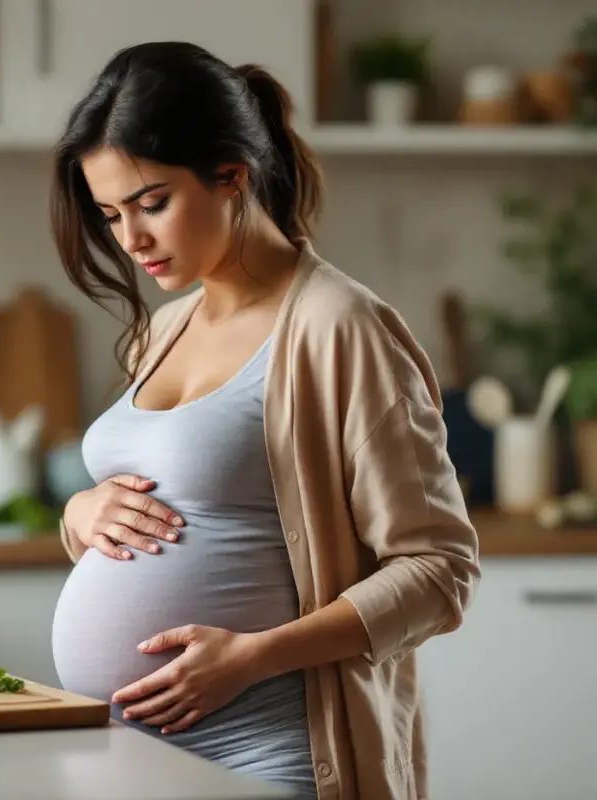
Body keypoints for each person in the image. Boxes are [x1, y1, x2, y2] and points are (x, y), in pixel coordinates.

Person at [47, 41, 481, 800]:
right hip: (126, 757)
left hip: (269, 754)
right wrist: (81, 513)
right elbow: (175, 512)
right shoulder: (161, 330)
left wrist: (254, 656)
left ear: (231, 175)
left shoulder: (340, 327)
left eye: (152, 203)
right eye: (110, 214)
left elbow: (439, 570)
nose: (131, 239)